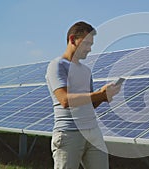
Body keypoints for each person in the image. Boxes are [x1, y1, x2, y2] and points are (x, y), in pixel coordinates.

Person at [46, 21, 120, 169]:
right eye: (86, 43)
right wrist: (98, 94)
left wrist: (103, 97)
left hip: (93, 133)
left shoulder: (86, 71)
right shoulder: (57, 65)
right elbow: (65, 100)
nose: (89, 49)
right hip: (69, 134)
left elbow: (90, 105)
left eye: (91, 45)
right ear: (72, 39)